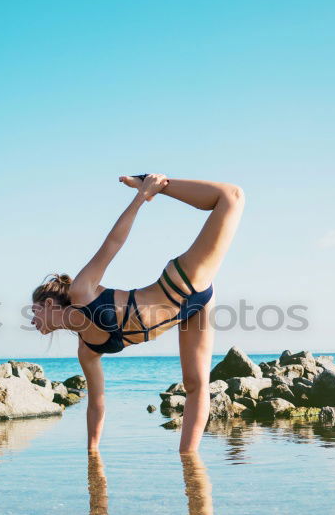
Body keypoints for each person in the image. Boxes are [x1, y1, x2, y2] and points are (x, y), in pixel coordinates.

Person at [31, 175, 245, 452]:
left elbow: (113, 243)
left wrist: (142, 195)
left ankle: (153, 181)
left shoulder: (82, 292)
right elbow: (97, 402)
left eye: (33, 310)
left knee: (232, 197)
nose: (31, 320)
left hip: (182, 282)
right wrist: (92, 453)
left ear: (49, 304)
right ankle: (189, 461)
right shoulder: (87, 350)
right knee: (195, 384)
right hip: (195, 311)